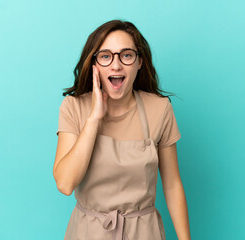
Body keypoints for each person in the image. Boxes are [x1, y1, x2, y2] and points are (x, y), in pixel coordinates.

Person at [53, 20, 191, 240]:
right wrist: (94, 118)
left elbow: (173, 185)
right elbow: (65, 183)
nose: (116, 65)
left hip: (145, 233)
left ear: (139, 62)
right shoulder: (74, 107)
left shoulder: (160, 108)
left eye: (126, 55)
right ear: (94, 63)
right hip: (88, 233)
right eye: (106, 56)